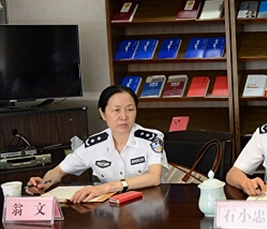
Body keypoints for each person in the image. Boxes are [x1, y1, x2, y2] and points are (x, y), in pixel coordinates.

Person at [26, 85, 169, 203]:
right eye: (116, 110)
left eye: (130, 110)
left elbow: (154, 177)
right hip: (112, 209)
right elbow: (59, 171)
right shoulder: (94, 144)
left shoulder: (152, 138)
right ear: (103, 113)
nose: (124, 116)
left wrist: (106, 187)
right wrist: (43, 183)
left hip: (148, 207)